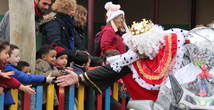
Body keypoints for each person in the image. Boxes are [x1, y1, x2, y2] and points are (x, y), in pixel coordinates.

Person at [55, 18, 185, 106]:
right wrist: (79, 77)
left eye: (139, 48)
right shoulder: (135, 57)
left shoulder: (178, 43)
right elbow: (111, 69)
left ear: (150, 44)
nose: (136, 52)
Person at [35, 44, 65, 109]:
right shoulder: (39, 64)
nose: (54, 59)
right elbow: (39, 75)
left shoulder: (51, 66)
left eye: (55, 57)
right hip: (42, 96)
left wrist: (60, 73)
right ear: (44, 57)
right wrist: (55, 73)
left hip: (49, 95)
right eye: (52, 57)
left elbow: (55, 73)